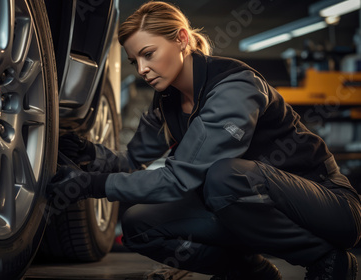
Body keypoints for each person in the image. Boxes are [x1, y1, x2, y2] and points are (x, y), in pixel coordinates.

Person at [47, 1, 361, 279]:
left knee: (225, 178)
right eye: (134, 61)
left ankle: (326, 260)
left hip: (330, 207)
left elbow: (178, 179)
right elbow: (131, 161)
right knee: (138, 225)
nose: (142, 69)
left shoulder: (234, 87)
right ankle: (249, 271)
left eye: (148, 54)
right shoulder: (166, 102)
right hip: (246, 202)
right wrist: (90, 154)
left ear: (181, 39)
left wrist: (91, 185)